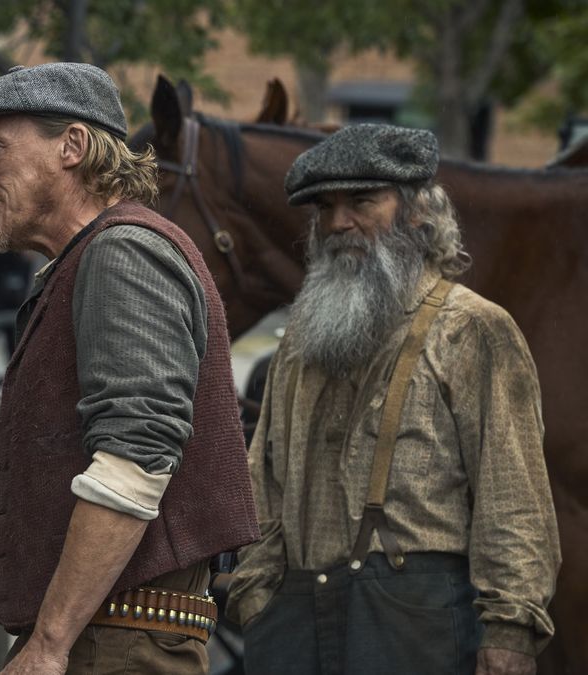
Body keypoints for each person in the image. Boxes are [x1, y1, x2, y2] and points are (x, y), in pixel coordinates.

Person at [0, 63, 259, 674]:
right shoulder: (97, 256)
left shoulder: (124, 252)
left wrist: (50, 644)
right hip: (104, 633)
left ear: (74, 146)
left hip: (114, 643)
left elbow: (137, 457)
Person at [226, 124, 560, 675]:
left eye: (362, 201)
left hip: (417, 626)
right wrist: (255, 596)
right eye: (324, 208)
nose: (338, 223)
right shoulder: (303, 341)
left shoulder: (473, 328)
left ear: (416, 212)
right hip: (293, 622)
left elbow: (514, 500)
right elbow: (260, 483)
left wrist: (510, 633)